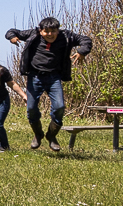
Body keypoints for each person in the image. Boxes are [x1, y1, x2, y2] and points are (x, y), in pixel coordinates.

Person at [6, 18, 92, 151]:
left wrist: (82, 51)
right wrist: (12, 37)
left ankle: (51, 136)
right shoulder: (33, 34)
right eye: (46, 31)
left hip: (54, 77)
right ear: (41, 31)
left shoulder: (66, 36)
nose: (50, 34)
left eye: (53, 31)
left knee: (59, 107)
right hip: (35, 77)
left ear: (58, 30)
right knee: (31, 109)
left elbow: (86, 40)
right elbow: (11, 31)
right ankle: (38, 134)